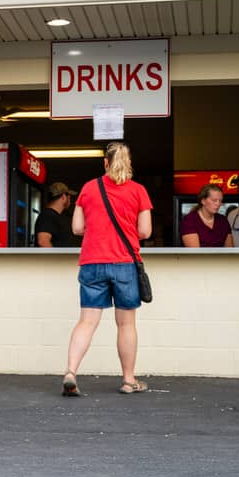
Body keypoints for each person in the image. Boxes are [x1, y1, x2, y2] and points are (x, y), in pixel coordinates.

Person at [62, 142, 153, 396]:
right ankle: (128, 380)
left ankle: (70, 372)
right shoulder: (139, 191)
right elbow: (145, 231)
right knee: (125, 324)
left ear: (105, 163)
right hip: (124, 263)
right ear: (128, 162)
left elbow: (77, 228)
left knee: (87, 321)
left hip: (92, 262)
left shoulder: (89, 188)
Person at [34, 182, 77, 247]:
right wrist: (55, 257)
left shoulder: (52, 216)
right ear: (63, 197)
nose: (70, 201)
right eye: (69, 197)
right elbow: (43, 241)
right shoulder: (47, 216)